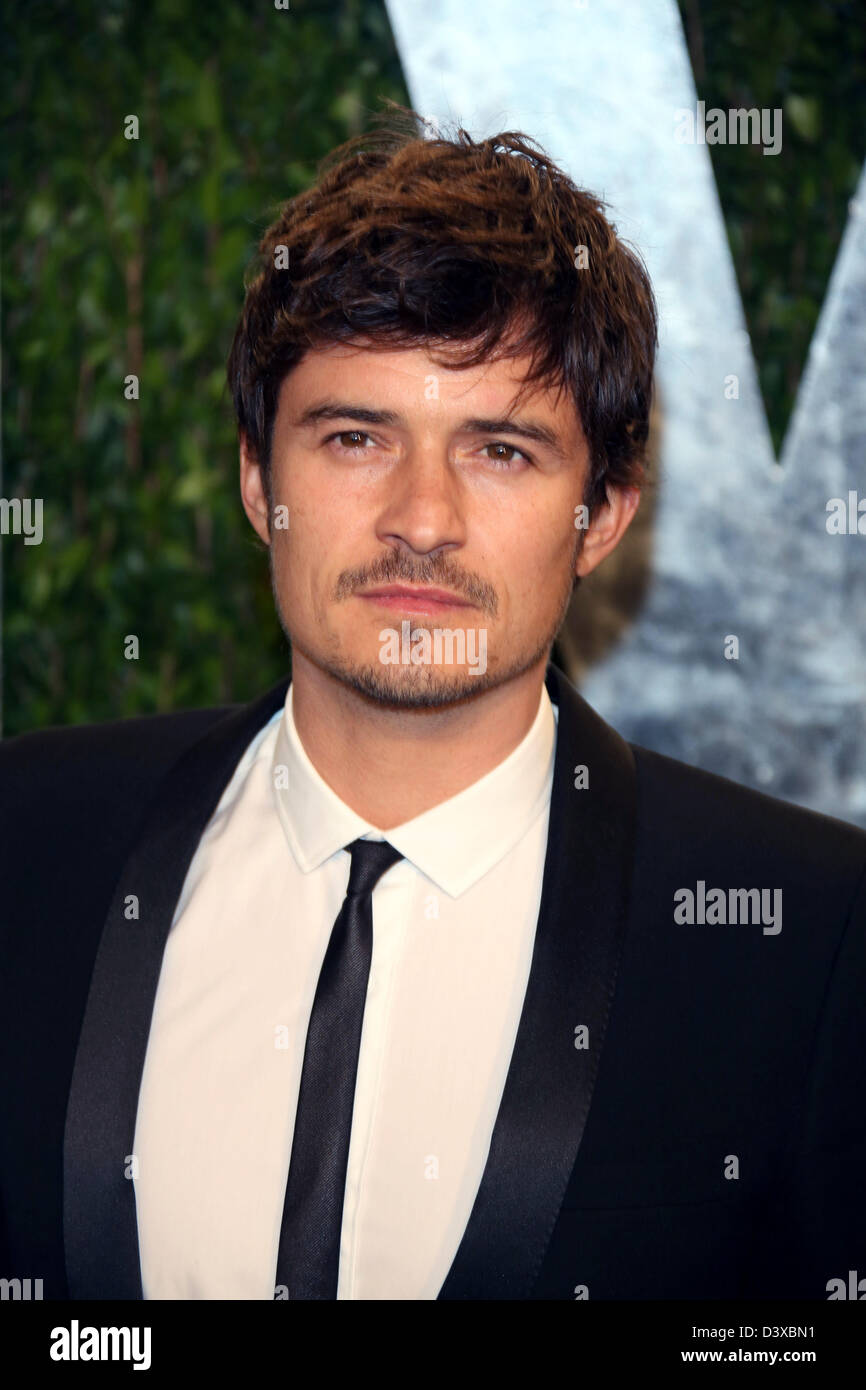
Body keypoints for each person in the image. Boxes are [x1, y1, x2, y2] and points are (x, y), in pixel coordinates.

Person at [1, 108, 864, 1302]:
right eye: (356, 437)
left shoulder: (807, 935)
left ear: (601, 515)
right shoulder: (28, 839)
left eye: (499, 450)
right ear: (259, 480)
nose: (421, 518)